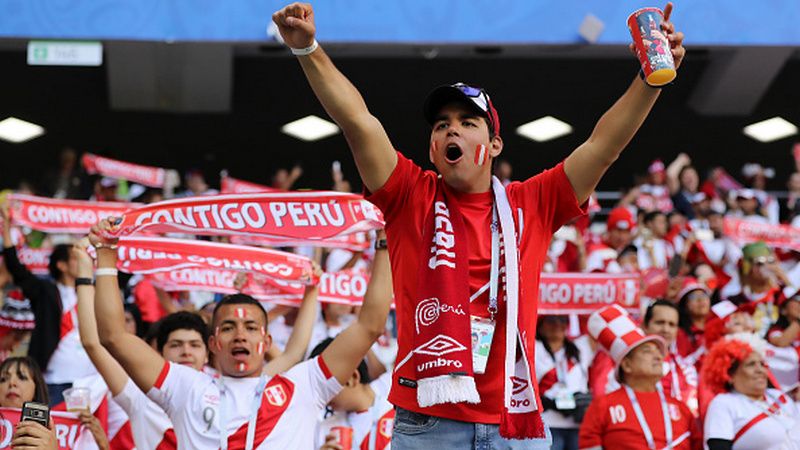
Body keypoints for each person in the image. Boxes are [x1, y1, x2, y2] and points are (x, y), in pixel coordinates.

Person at [273, 2, 684, 446]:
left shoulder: (534, 201)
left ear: (495, 144)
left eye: (468, 123)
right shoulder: (410, 195)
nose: (452, 132)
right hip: (429, 426)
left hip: (515, 424)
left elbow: (604, 146)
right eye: (442, 125)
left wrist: (649, 80)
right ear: (432, 148)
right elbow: (358, 122)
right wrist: (308, 49)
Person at [91, 217, 393, 449]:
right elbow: (113, 336)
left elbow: (369, 326)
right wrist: (105, 254)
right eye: (228, 327)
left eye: (251, 328)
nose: (240, 335)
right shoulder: (185, 387)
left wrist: (383, 242)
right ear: (213, 343)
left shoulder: (305, 384)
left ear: (266, 341)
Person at [72, 239, 323, 450]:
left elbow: (292, 352)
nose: (186, 352)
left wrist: (311, 291)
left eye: (195, 345)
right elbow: (98, 341)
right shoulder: (138, 394)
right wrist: (86, 274)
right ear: (157, 352)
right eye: (176, 345)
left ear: (210, 349)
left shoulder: (240, 386)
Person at [0, 202, 95, 405]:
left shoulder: (91, 291)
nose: (83, 262)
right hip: (53, 381)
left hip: (89, 382)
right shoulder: (47, 292)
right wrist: (7, 228)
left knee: (81, 436)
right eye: (75, 258)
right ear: (61, 265)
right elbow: (16, 269)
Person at [579, 305, 699, 450]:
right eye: (647, 351)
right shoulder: (603, 407)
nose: (658, 356)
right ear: (627, 365)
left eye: (658, 352)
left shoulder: (681, 409)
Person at [702, 335, 800, 449]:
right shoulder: (724, 403)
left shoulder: (779, 397)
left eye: (762, 364)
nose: (760, 370)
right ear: (730, 374)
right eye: (751, 364)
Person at [311, 337, 394, 450]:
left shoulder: (395, 393)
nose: (322, 397)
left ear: (352, 378)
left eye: (325, 388)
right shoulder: (326, 430)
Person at [534, 316, 591, 450]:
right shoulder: (533, 348)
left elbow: (596, 329)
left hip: (575, 423)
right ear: (540, 325)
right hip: (546, 423)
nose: (557, 325)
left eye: (563, 320)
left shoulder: (579, 349)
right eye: (551, 320)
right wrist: (550, 403)